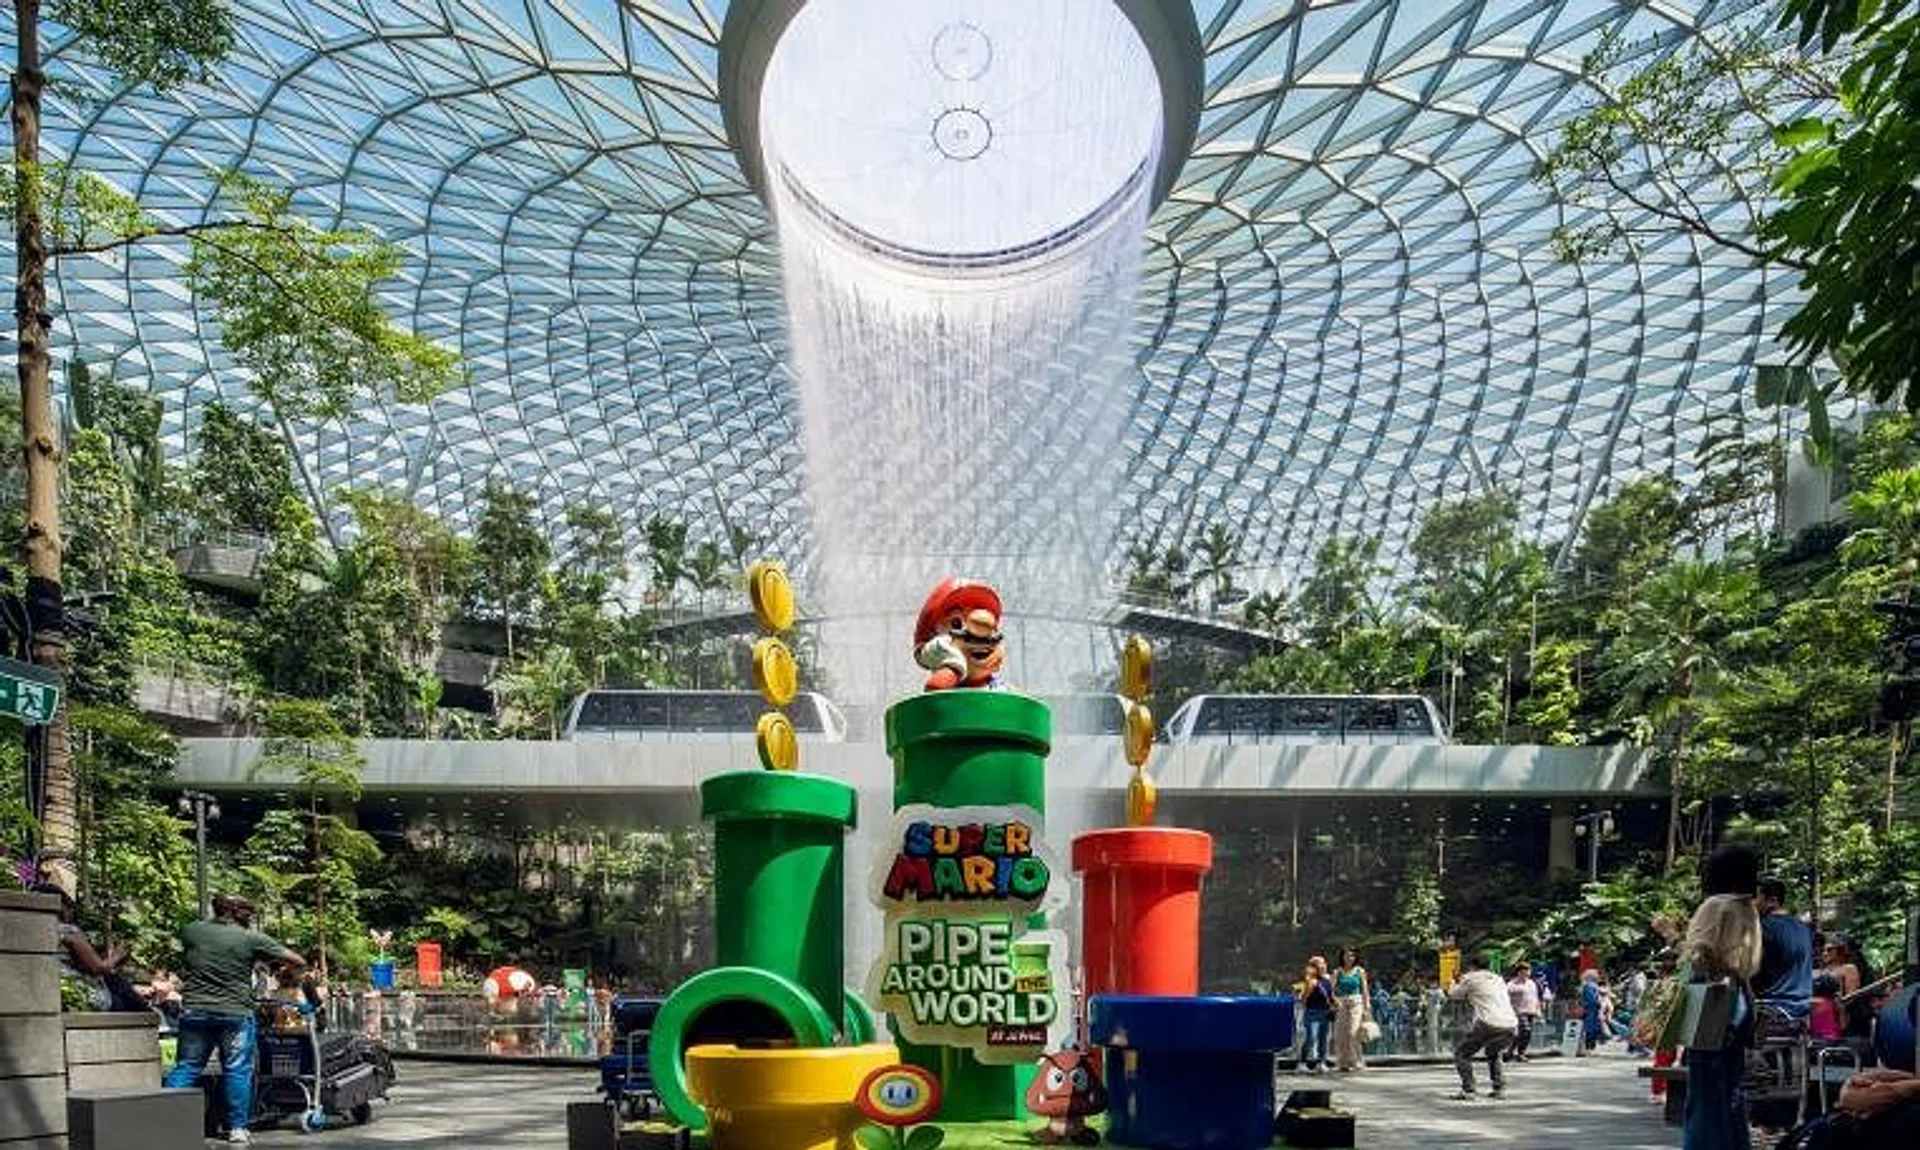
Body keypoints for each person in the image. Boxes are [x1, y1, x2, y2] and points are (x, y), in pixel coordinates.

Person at [162, 894, 306, 1145]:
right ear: (234, 911)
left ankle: (165, 1121)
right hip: (235, 1014)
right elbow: (297, 960)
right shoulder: (250, 938)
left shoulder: (192, 930)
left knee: (187, 1067)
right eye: (248, 912)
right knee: (237, 1069)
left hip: (195, 1010)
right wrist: (268, 961)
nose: (250, 917)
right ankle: (237, 1128)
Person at [1680, 886, 1763, 1150]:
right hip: (1736, 1003)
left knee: (1706, 1100)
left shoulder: (1712, 975)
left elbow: (1696, 958)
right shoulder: (1740, 981)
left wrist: (1671, 935)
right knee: (1730, 1098)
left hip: (1714, 1006)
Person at [32, 879, 146, 1013]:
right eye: (69, 907)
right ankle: (154, 1021)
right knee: (119, 986)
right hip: (81, 994)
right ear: (61, 906)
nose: (71, 912)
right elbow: (98, 968)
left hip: (51, 991)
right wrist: (118, 954)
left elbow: (80, 964)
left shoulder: (34, 932)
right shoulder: (68, 931)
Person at [1448, 953, 1518, 1099]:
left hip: (1488, 1022)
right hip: (1511, 1023)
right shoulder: (1498, 978)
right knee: (1493, 1051)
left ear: (1472, 966)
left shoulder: (1470, 977)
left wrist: (1453, 982)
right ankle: (1499, 1089)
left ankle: (1469, 1090)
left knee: (1462, 1053)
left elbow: (1453, 995)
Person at [1753, 877, 1814, 1021]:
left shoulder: (1762, 927)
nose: (1752, 904)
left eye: (1756, 898)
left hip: (1772, 1006)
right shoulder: (1803, 928)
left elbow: (1750, 969)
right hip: (1802, 1006)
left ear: (1772, 901)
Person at [1330, 947, 1372, 1072]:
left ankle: (1357, 1060)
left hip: (1356, 1002)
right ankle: (1342, 1062)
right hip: (1341, 1003)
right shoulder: (1337, 972)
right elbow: (1330, 989)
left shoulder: (1360, 971)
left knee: (1353, 1032)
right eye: (1347, 955)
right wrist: (1335, 1000)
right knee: (1340, 1033)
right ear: (1342, 957)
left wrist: (1366, 1007)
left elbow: (1365, 990)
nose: (1349, 958)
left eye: (1352, 955)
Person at [1296, 956, 1333, 1073]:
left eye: (1324, 963)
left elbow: (1331, 995)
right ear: (1314, 968)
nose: (1323, 966)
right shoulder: (1311, 981)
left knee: (1324, 1038)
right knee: (1311, 1038)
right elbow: (1303, 999)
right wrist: (1308, 987)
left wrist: (1336, 1003)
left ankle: (1321, 1062)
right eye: (1319, 964)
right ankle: (1302, 1062)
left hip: (1326, 1013)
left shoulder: (1328, 979)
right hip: (1312, 1012)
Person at [1506, 964, 1541, 1061]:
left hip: (1530, 1010)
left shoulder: (1532, 983)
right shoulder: (1511, 984)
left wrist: (1538, 1010)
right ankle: (1518, 1053)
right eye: (1524, 971)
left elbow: (1535, 997)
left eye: (1528, 971)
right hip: (1518, 1011)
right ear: (1519, 972)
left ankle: (1515, 1052)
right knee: (1525, 1030)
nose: (1527, 973)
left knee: (1525, 1034)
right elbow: (1506, 997)